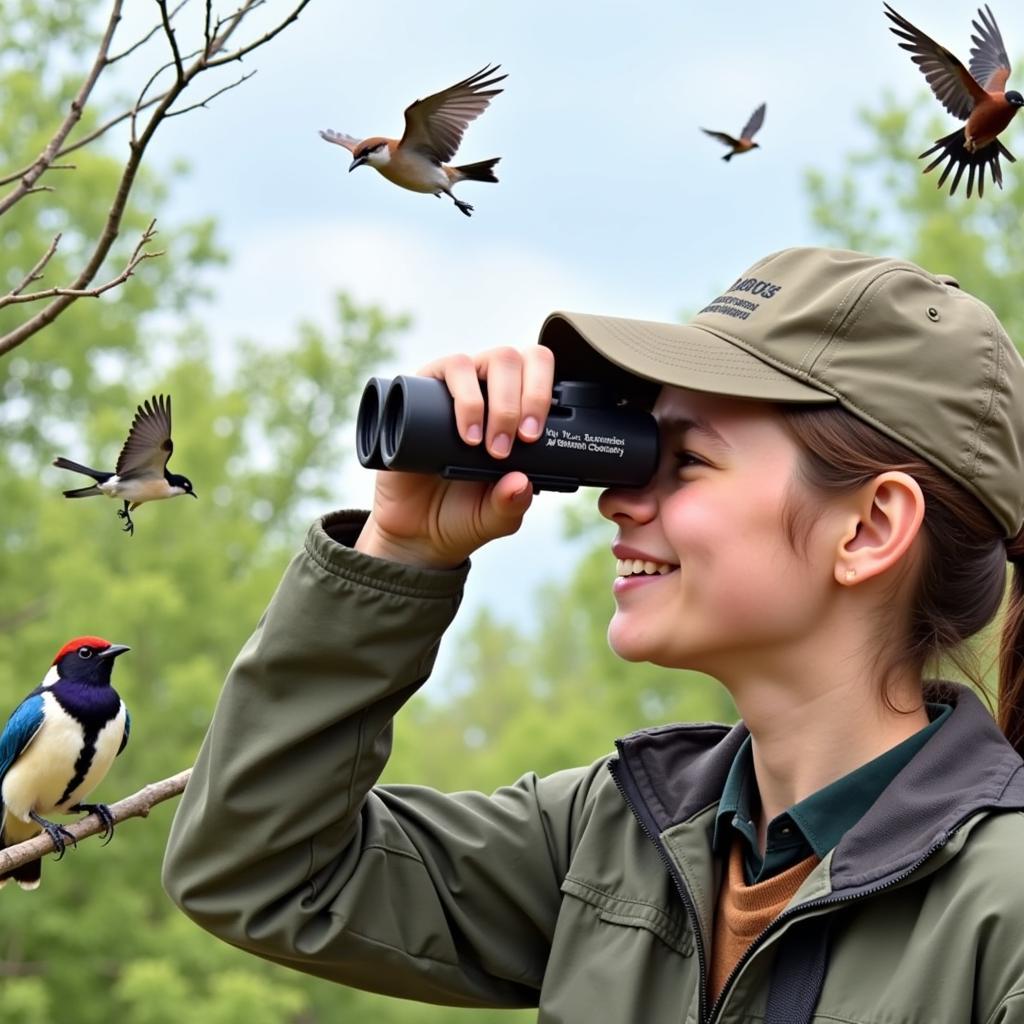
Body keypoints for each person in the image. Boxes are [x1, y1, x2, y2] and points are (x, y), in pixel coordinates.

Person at [162, 246, 1024, 1022]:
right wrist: (400, 553)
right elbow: (260, 871)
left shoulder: (1000, 907)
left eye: (684, 460)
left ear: (871, 528)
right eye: (633, 452)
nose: (619, 499)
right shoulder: (613, 839)